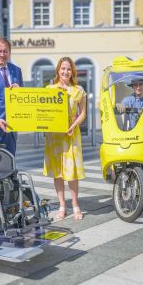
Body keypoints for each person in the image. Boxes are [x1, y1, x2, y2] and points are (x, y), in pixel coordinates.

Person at [43, 57, 86, 221]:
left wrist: (74, 125)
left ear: (72, 71)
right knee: (58, 172)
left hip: (71, 134)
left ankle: (75, 205)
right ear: (58, 71)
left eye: (68, 69)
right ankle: (62, 205)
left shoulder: (78, 90)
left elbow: (83, 113)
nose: (65, 72)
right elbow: (42, 111)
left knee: (72, 173)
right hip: (54, 136)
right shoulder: (50, 89)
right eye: (63, 69)